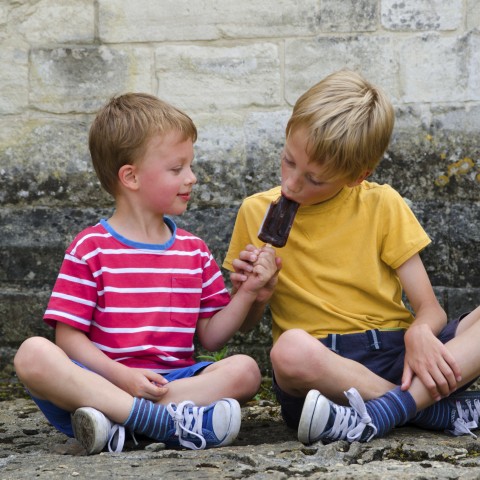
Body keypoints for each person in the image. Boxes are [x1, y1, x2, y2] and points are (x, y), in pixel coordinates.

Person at [223, 69, 480, 445]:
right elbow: (245, 327)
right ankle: (427, 409)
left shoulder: (381, 204)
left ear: (358, 176)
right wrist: (255, 295)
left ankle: (383, 412)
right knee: (288, 350)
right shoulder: (255, 211)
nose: (292, 183)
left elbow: (429, 307)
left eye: (314, 179)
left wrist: (420, 332)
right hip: (322, 374)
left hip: (398, 355)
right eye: (288, 161)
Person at [14, 93, 278, 454]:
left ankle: (125, 428)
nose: (192, 178)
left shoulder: (194, 250)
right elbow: (69, 339)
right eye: (177, 169)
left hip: (170, 384)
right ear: (131, 177)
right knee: (32, 354)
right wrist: (120, 376)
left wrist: (248, 293)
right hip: (101, 385)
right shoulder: (90, 248)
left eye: (190, 166)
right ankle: (162, 423)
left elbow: (212, 338)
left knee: (245, 370)